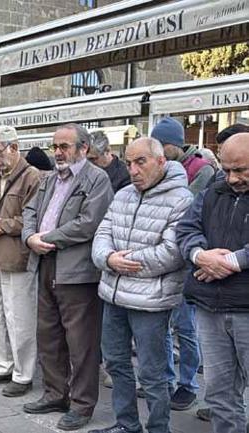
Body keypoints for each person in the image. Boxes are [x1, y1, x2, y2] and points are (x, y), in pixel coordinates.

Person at [89, 137, 193, 433]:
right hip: (114, 295)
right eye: (129, 162)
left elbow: (172, 253)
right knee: (117, 364)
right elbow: (102, 233)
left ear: (161, 162)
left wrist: (125, 261)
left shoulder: (181, 199)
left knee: (152, 373)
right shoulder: (123, 195)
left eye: (140, 162)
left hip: (152, 302)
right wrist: (108, 258)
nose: (133, 169)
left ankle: (159, 428)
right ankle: (127, 425)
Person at [21, 123, 113, 431]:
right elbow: (29, 210)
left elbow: (89, 222)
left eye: (65, 146)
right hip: (45, 263)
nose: (58, 152)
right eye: (55, 146)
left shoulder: (97, 179)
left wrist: (48, 238)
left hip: (77, 272)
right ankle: (55, 393)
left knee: (81, 343)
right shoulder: (48, 178)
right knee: (48, 336)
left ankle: (82, 404)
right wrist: (29, 237)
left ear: (83, 148)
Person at [176, 133, 249, 433]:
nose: (232, 178)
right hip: (210, 308)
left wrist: (229, 262)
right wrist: (199, 255)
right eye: (226, 169)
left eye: (241, 170)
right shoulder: (212, 192)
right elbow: (185, 229)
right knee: (219, 393)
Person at [0, 126, 41, 397]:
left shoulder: (32, 177)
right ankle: (0, 365)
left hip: (16, 255)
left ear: (14, 147)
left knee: (19, 317)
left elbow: (33, 219)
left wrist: (0, 224)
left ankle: (23, 374)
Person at [151, 117, 207, 411]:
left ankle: (188, 385)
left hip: (187, 261)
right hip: (164, 261)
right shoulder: (163, 168)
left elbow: (190, 214)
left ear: (171, 145)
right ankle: (166, 380)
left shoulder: (201, 170)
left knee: (185, 328)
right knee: (163, 327)